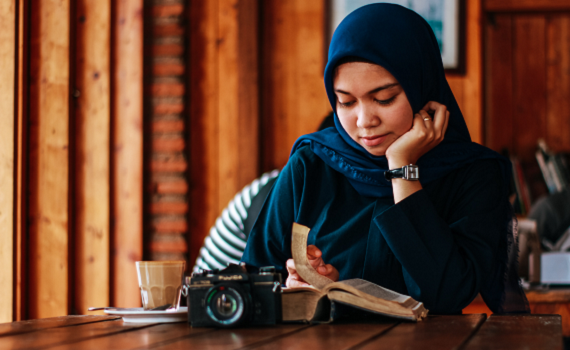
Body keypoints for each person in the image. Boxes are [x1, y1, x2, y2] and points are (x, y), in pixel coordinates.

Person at [241, 3, 529, 314]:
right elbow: (255, 281)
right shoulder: (311, 165)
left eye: (384, 98)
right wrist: (296, 288)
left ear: (422, 87)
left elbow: (445, 295)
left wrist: (403, 170)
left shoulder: (472, 175)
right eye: (346, 101)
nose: (364, 120)